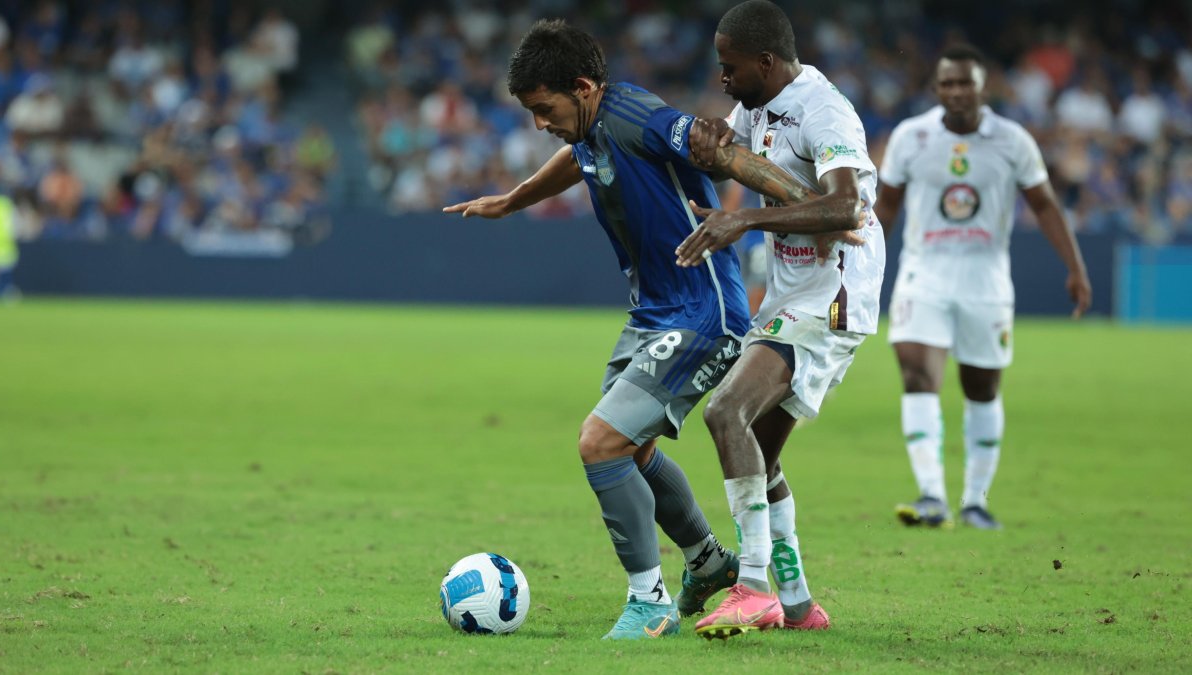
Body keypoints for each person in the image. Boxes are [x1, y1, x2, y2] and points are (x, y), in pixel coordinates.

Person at [444, 18, 856, 640]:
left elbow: (723, 153)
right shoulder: (592, 125)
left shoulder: (637, 116)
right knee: (629, 449)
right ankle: (707, 562)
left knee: (600, 443)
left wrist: (816, 209)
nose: (539, 123)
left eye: (543, 108)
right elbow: (576, 157)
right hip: (654, 312)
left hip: (703, 312)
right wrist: (514, 198)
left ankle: (650, 599)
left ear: (583, 88)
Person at [673, 0, 884, 639]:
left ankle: (754, 588)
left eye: (730, 68)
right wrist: (711, 142)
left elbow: (846, 206)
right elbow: (733, 149)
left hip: (835, 294)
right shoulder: (759, 103)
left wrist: (746, 219)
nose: (722, 78)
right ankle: (795, 604)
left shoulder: (825, 111)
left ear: (766, 61)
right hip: (792, 294)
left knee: (724, 412)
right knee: (759, 454)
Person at [872, 44, 1092, 531]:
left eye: (965, 82)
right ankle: (932, 495)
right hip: (922, 273)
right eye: (947, 83)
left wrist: (1075, 267)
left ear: (982, 86)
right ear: (936, 89)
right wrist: (863, 266)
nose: (956, 91)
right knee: (916, 374)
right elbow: (885, 207)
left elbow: (1046, 206)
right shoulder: (911, 137)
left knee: (981, 387)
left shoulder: (1012, 141)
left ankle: (975, 500)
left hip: (985, 279)